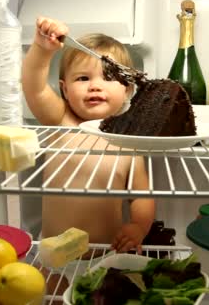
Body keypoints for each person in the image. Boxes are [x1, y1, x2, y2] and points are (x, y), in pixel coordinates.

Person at [22, 16, 155, 255]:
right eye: (83, 78)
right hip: (53, 254)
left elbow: (142, 197)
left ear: (127, 90)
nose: (95, 86)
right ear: (64, 89)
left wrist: (137, 227)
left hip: (104, 254)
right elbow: (34, 86)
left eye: (108, 77)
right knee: (50, 293)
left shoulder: (127, 142)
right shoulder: (60, 119)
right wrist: (42, 50)